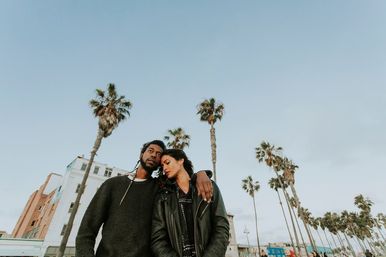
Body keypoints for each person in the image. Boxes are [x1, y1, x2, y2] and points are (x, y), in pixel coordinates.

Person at [76, 140, 213, 257]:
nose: (154, 155)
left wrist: (201, 174)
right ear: (142, 154)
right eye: (150, 150)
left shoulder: (161, 189)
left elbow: (183, 180)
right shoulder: (112, 184)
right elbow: (86, 231)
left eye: (158, 154)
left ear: (161, 163)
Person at [151, 148, 229, 257]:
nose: (165, 168)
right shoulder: (163, 197)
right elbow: (158, 239)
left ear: (180, 160)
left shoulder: (208, 186)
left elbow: (221, 226)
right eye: (162, 166)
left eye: (167, 162)